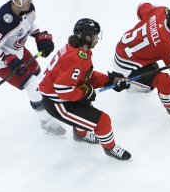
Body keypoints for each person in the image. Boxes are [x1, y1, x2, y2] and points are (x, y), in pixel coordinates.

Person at [38, 18, 132, 161]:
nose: (97, 39)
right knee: (103, 121)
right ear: (87, 37)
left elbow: (84, 76)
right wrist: (85, 93)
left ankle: (81, 134)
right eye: (95, 36)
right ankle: (110, 149)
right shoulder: (76, 56)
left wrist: (110, 80)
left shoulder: (78, 50)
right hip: (58, 103)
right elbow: (63, 89)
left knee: (85, 107)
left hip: (62, 97)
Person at [0, 0, 66, 136]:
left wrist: (40, 37)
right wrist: (9, 60)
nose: (29, 1)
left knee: (41, 77)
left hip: (18, 50)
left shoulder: (29, 9)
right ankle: (45, 122)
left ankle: (47, 103)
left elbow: (28, 24)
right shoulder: (4, 21)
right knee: (33, 86)